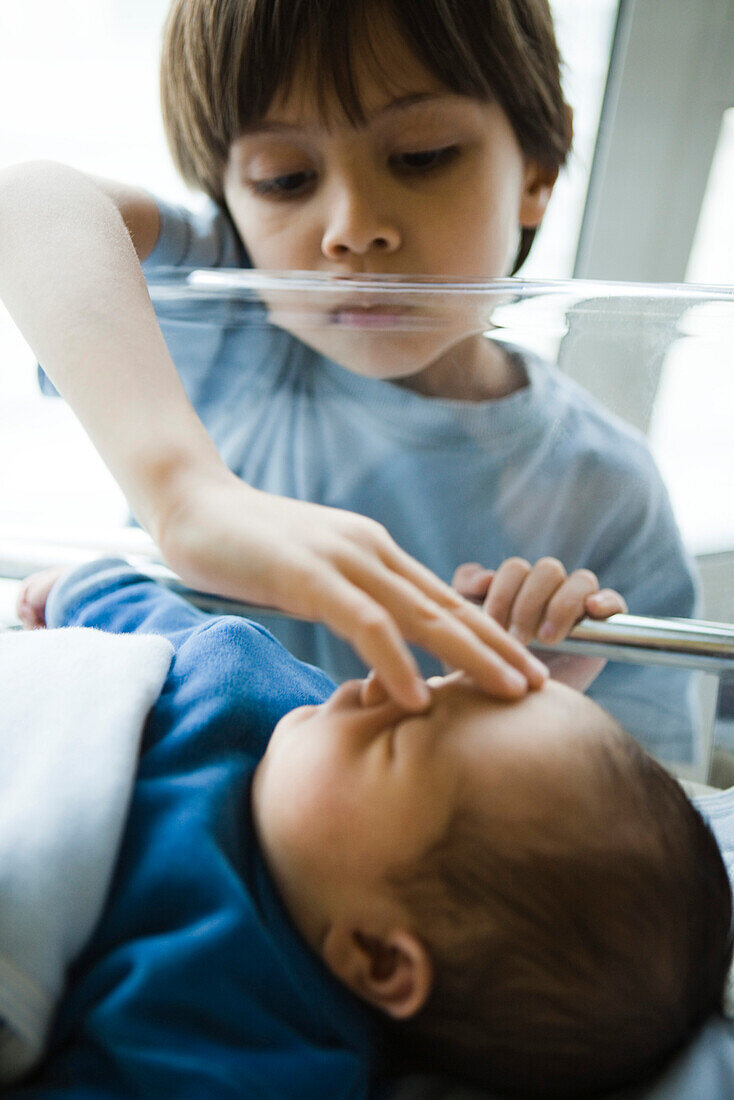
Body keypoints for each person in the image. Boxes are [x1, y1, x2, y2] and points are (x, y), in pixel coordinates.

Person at [0, 0, 697, 758]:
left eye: (422, 156)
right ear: (231, 201)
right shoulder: (234, 326)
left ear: (539, 166)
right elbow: (27, 203)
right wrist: (184, 493)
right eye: (285, 178)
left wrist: (534, 708)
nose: (353, 226)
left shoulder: (607, 493)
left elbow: (658, 817)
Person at [8, 556, 731, 1100]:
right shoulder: (285, 706)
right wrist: (89, 586)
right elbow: (175, 630)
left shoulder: (241, 1023)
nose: (384, 686)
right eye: (443, 689)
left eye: (396, 741)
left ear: (378, 958)